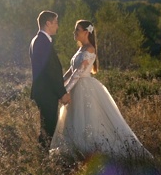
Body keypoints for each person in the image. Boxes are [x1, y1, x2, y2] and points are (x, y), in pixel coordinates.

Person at [50, 20, 152, 161]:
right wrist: (59, 86)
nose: (75, 33)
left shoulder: (90, 49)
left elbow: (78, 73)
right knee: (73, 118)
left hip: (84, 88)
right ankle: (75, 151)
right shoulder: (80, 49)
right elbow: (70, 72)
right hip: (76, 87)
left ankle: (90, 151)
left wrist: (65, 90)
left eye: (77, 30)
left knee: (87, 118)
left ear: (86, 32)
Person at [30, 10, 71, 148]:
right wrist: (62, 93)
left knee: (47, 127)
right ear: (48, 23)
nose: (57, 26)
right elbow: (50, 71)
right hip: (46, 93)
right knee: (48, 128)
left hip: (44, 92)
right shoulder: (42, 42)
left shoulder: (38, 40)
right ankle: (43, 158)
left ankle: (43, 156)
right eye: (55, 23)